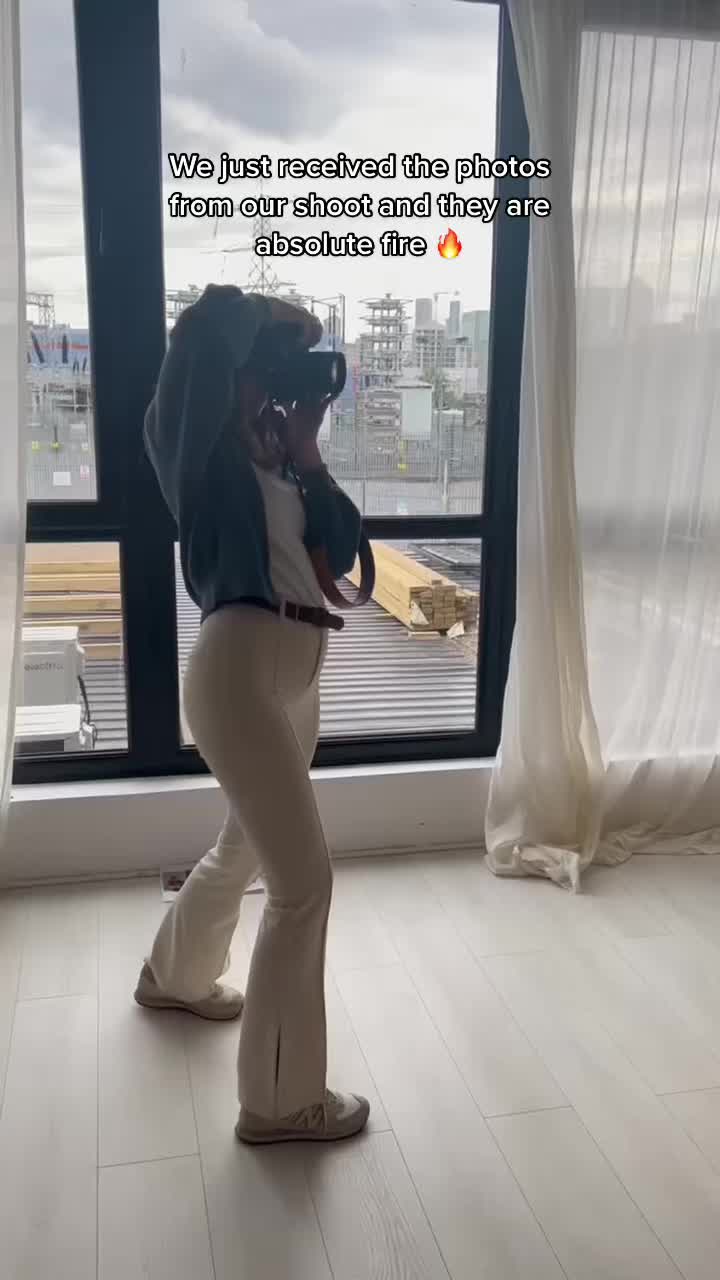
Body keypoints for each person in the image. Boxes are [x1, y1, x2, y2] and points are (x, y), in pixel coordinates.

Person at [134, 284, 370, 1145]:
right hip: (238, 668)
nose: (274, 379)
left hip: (295, 671)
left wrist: (307, 451)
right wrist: (277, 319)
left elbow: (342, 544)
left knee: (246, 846)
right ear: (235, 365)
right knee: (305, 885)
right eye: (266, 364)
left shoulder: (275, 456)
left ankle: (174, 974)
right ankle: (279, 1099)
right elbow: (205, 334)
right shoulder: (193, 445)